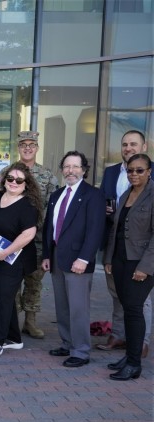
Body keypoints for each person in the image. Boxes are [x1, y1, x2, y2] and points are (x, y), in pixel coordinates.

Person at [0, 131, 58, 338]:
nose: (27, 148)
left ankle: (30, 321)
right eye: (23, 145)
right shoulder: (6, 174)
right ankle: (11, 323)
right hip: (9, 239)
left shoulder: (48, 176)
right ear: (18, 148)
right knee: (9, 283)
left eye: (32, 145)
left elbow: (53, 209)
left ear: (37, 148)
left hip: (36, 240)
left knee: (34, 281)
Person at [42, 151, 105, 368]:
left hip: (79, 260)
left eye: (76, 166)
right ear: (62, 170)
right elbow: (49, 228)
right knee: (62, 305)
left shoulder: (93, 195)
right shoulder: (56, 195)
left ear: (84, 170)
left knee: (78, 307)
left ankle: (81, 351)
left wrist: (85, 259)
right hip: (58, 258)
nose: (71, 170)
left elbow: (95, 230)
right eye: (67, 166)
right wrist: (47, 255)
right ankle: (68, 343)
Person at [0, 162, 41, 360]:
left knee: (4, 299)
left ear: (26, 184)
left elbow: (28, 234)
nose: (14, 182)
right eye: (10, 178)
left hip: (14, 259)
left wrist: (6, 252)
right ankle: (14, 337)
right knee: (3, 297)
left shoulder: (27, 205)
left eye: (19, 180)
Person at [98, 130, 153, 357]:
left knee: (140, 301)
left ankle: (141, 342)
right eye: (124, 144)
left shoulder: (149, 179)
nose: (128, 148)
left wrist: (146, 265)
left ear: (144, 146)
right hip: (116, 247)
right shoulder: (112, 173)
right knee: (117, 294)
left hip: (141, 252)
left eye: (133, 144)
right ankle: (119, 335)